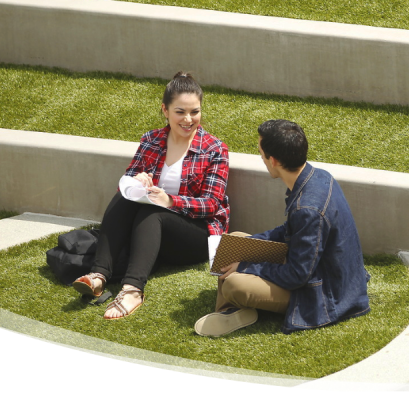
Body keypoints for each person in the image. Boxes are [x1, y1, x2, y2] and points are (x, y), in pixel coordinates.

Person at [72, 72, 231, 320]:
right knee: (127, 198)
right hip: (154, 231)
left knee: (153, 211)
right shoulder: (151, 139)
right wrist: (136, 181)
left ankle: (133, 290)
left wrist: (169, 201)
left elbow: (211, 205)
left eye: (195, 112)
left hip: (198, 234)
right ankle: (99, 275)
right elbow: (129, 178)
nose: (188, 119)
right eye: (180, 112)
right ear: (165, 111)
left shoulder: (214, 149)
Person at [194, 119, 369, 336]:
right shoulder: (318, 176)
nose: (260, 157)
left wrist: (247, 266)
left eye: (260, 152)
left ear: (273, 160)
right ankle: (231, 311)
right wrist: (246, 247)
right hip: (322, 269)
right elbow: (291, 230)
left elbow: (297, 275)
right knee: (236, 239)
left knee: (234, 285)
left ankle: (230, 310)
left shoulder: (308, 208)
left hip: (326, 292)